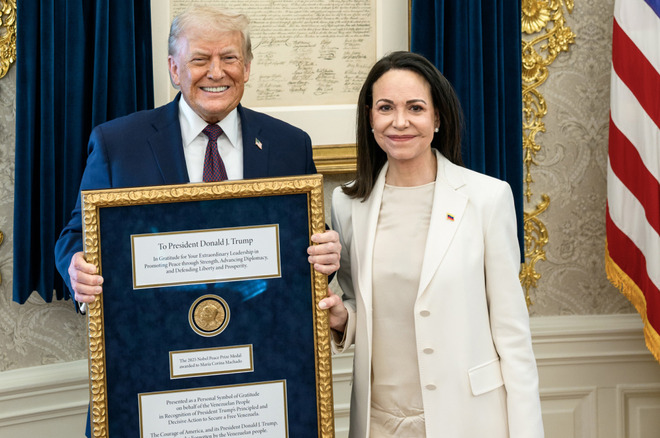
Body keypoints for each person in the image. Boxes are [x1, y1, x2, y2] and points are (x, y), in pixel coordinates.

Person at [317, 51, 544, 437]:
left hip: (470, 418)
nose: (399, 122)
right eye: (385, 107)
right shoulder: (347, 203)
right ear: (370, 117)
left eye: (415, 108)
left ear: (437, 118)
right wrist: (342, 318)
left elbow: (512, 333)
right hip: (378, 421)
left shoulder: (487, 198)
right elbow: (363, 304)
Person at [55, 6, 341, 308]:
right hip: (155, 331)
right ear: (175, 69)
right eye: (200, 60)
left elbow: (306, 238)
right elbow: (77, 235)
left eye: (229, 58)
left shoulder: (290, 145)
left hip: (262, 330)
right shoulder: (118, 145)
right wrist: (77, 267)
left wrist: (326, 253)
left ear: (246, 67)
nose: (216, 72)